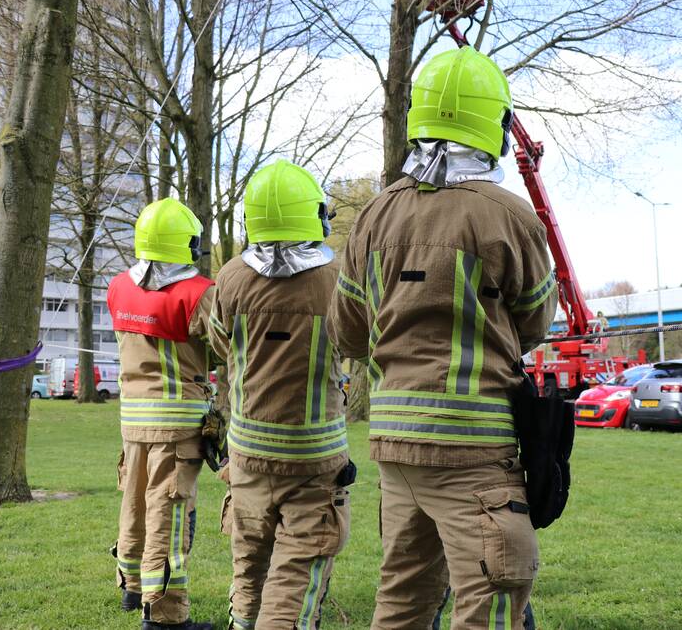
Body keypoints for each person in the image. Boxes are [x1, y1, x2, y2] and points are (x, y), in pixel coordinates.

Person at [328, 45, 557, 629]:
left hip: (396, 446)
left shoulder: (375, 216)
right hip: (474, 448)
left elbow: (348, 334)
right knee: (491, 599)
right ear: (496, 126)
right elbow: (534, 322)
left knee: (403, 599)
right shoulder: (509, 215)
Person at [207, 160, 353, 630]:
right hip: (315, 459)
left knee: (249, 566)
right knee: (297, 571)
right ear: (314, 215)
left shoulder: (230, 278)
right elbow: (360, 343)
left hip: (247, 454)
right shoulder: (337, 281)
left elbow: (218, 342)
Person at [107, 198, 216, 630]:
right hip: (177, 423)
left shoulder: (119, 287)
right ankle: (166, 615)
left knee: (133, 506)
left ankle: (132, 588)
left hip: (132, 420)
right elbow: (223, 350)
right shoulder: (198, 293)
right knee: (168, 516)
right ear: (186, 243)